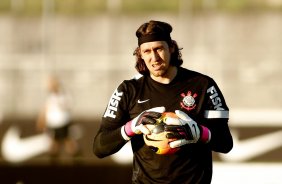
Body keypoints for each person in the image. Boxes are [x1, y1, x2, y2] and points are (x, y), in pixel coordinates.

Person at [93, 20, 233, 184]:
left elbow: (226, 143)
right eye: (147, 51)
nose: (154, 58)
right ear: (140, 54)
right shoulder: (128, 90)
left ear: (171, 47)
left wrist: (199, 133)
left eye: (159, 49)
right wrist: (130, 128)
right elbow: (99, 147)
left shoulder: (203, 85)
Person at [37, 75, 79, 158]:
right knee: (54, 144)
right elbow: (46, 109)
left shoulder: (64, 95)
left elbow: (67, 106)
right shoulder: (50, 96)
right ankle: (54, 163)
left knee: (67, 143)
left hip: (61, 123)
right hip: (53, 124)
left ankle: (77, 159)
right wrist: (41, 120)